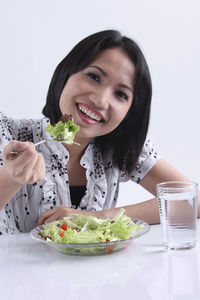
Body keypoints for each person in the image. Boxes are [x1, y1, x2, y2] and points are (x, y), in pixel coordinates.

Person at [0, 30, 199, 235]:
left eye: (121, 94)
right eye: (94, 76)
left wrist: (99, 217)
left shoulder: (119, 150)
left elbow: (193, 200)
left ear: (130, 113)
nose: (100, 100)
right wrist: (9, 177)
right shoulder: (7, 134)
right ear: (66, 73)